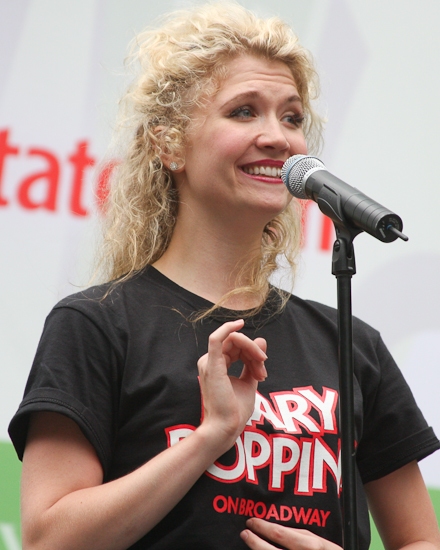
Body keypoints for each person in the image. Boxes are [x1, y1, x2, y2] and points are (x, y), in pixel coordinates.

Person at [8, 3, 440, 549]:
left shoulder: (352, 343)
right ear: (168, 145)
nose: (278, 138)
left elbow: (421, 541)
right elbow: (48, 540)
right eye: (243, 112)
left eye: (292, 117)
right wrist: (211, 436)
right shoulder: (98, 325)